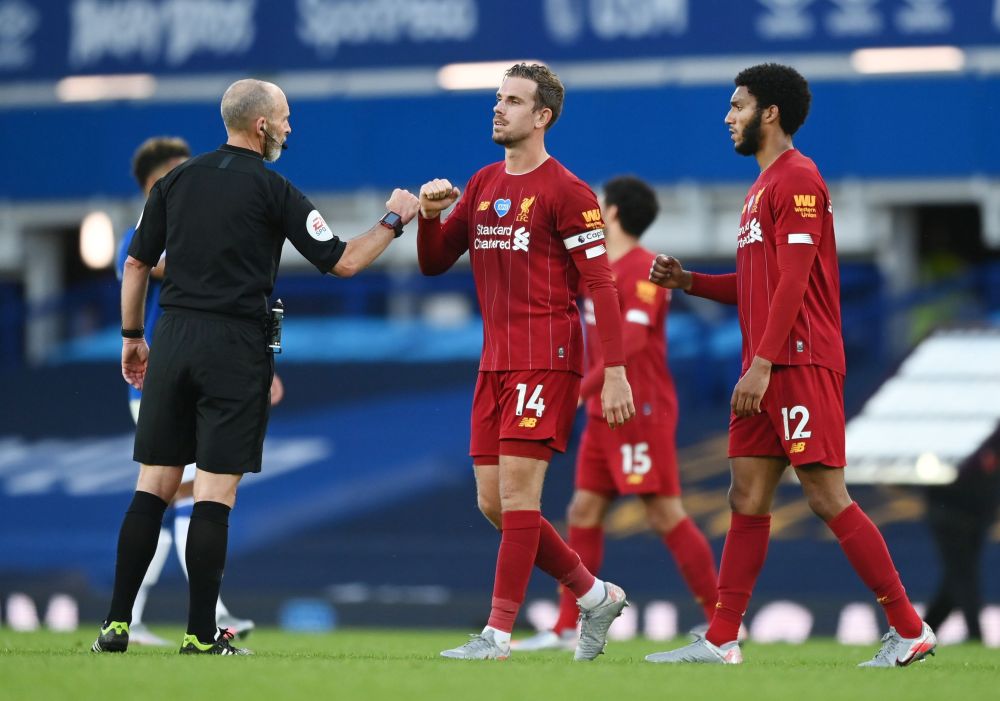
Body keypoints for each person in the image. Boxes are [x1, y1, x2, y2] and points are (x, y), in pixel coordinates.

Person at [92, 78, 419, 655]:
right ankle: (198, 635)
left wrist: (132, 338)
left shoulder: (173, 181)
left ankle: (115, 625)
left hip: (173, 339)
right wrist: (394, 220)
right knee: (214, 495)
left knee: (152, 488)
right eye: (286, 118)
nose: (290, 128)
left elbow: (137, 263)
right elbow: (342, 262)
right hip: (235, 345)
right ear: (262, 125)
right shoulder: (274, 189)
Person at [644, 63, 937, 667]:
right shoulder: (760, 189)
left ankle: (910, 628)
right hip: (767, 364)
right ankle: (722, 638)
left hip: (797, 362)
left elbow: (796, 282)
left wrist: (764, 364)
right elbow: (759, 283)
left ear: (768, 113)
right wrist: (690, 281)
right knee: (745, 495)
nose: (728, 117)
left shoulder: (798, 179)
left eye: (737, 106)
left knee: (828, 497)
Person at [417, 63, 636, 662]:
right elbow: (435, 264)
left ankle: (497, 635)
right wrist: (431, 217)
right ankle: (594, 597)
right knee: (492, 502)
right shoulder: (484, 182)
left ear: (542, 117)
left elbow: (602, 284)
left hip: (547, 357)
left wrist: (613, 370)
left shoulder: (567, 191)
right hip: (495, 363)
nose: (499, 108)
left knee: (518, 498)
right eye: (497, 98)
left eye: (512, 101)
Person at [514, 176, 718, 652]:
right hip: (604, 410)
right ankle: (569, 624)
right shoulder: (597, 267)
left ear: (613, 213)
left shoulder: (647, 269)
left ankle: (722, 619)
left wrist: (575, 390)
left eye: (599, 205)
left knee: (664, 512)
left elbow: (632, 341)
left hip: (638, 410)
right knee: (583, 509)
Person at [114, 137, 257, 646]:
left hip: (197, 365)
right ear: (157, 185)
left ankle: (134, 616)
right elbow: (159, 266)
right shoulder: (141, 234)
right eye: (177, 176)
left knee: (175, 495)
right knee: (183, 492)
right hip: (158, 378)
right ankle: (205, 615)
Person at [923, 424, 1000, 641]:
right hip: (951, 514)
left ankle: (920, 633)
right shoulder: (962, 430)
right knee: (965, 577)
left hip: (975, 516)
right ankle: (975, 635)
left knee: (956, 580)